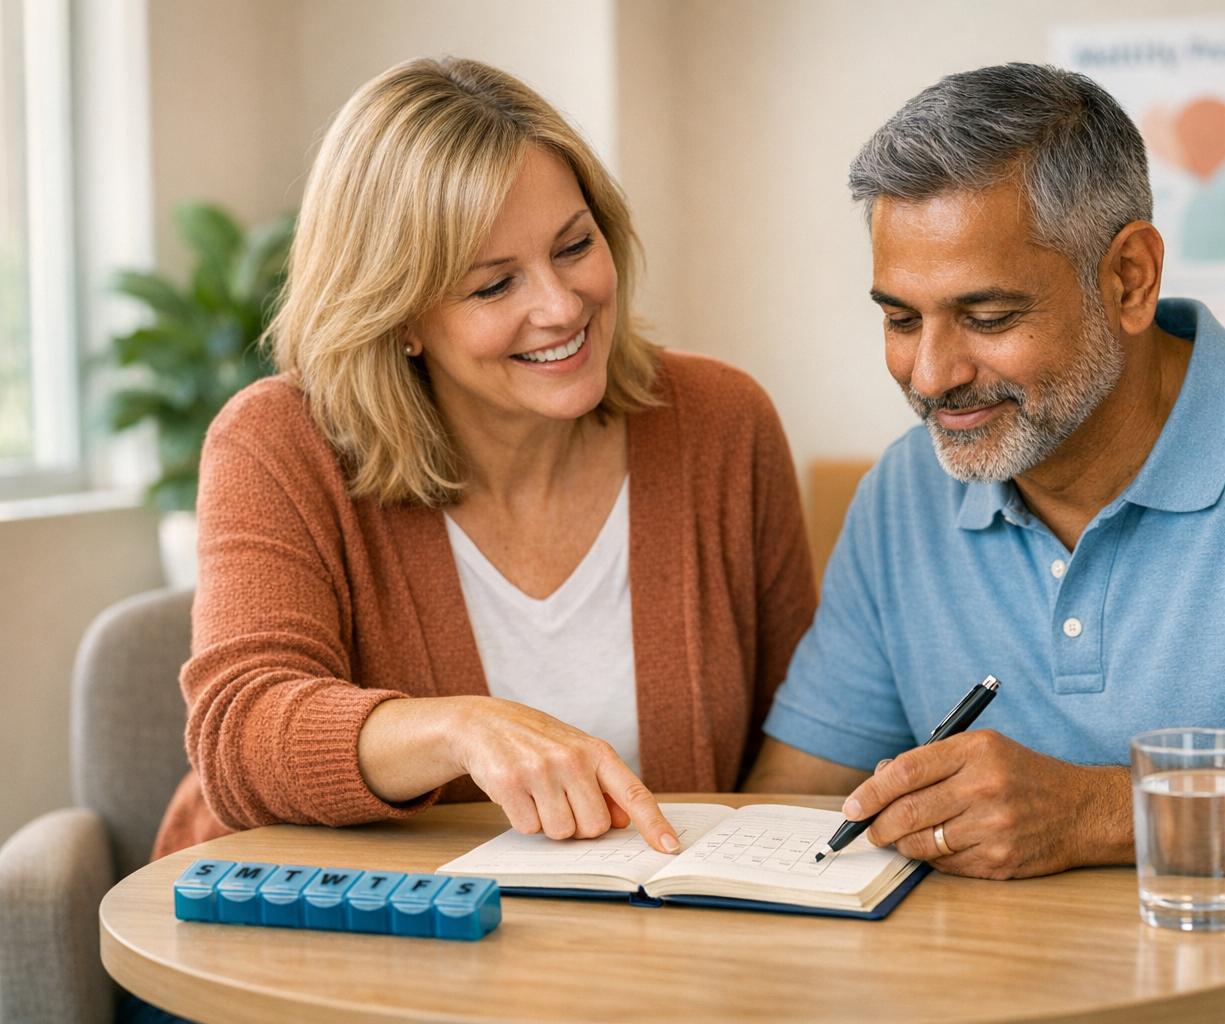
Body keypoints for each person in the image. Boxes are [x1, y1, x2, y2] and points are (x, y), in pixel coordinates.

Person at [746, 63, 1225, 1024]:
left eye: (988, 317)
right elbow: (794, 805)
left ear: (1129, 277)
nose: (931, 374)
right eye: (900, 318)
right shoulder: (903, 495)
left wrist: (1093, 810)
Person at [150, 56, 815, 861]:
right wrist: (457, 727)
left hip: (626, 953)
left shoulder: (722, 423)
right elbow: (239, 736)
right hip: (306, 938)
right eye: (494, 287)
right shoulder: (279, 443)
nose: (561, 307)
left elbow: (810, 725)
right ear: (399, 318)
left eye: (574, 246)